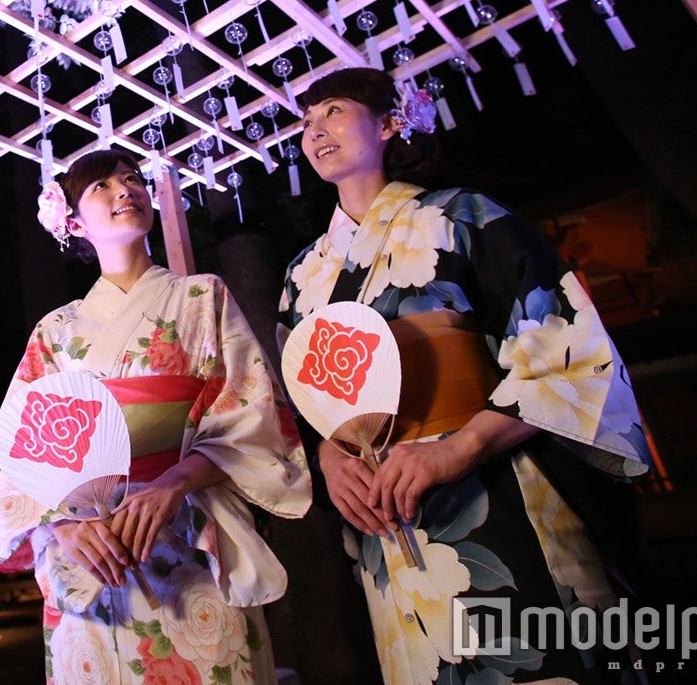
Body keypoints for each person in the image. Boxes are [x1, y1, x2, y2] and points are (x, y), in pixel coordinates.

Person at [278, 68, 650, 685]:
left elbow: (564, 347)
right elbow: (312, 396)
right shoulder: (303, 273)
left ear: (390, 123)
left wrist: (459, 447)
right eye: (307, 121)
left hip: (488, 480)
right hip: (383, 515)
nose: (315, 130)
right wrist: (330, 456)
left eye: (335, 111)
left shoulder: (463, 216)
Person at [0, 149, 312, 685]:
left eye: (134, 180)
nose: (125, 190)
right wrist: (63, 525)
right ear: (73, 222)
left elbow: (253, 410)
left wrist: (177, 479)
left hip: (185, 533)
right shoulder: (55, 331)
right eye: (102, 187)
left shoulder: (202, 296)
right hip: (91, 553)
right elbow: (17, 452)